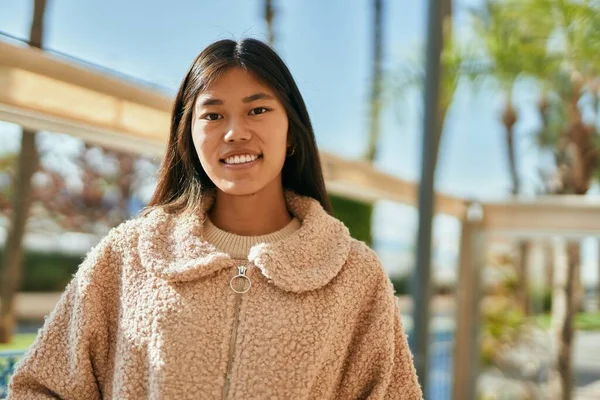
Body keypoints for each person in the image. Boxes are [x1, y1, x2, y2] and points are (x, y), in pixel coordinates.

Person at [8, 38, 422, 399]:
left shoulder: (353, 275)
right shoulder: (127, 256)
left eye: (258, 110)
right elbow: (39, 387)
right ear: (188, 134)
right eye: (213, 114)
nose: (235, 132)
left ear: (292, 132)